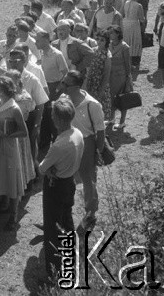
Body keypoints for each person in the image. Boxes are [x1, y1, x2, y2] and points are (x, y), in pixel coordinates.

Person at [39, 95, 84, 277]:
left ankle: (55, 270)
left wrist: (47, 169)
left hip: (55, 186)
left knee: (52, 226)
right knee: (67, 219)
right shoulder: (78, 134)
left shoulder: (58, 145)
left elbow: (42, 168)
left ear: (56, 119)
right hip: (69, 181)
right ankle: (71, 256)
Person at [60, 71, 106, 230]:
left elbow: (100, 130)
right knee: (66, 178)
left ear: (75, 86)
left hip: (86, 144)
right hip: (68, 142)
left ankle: (90, 214)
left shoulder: (92, 104)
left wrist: (98, 151)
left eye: (65, 84)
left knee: (88, 179)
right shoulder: (63, 100)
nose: (62, 85)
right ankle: (64, 213)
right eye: (63, 82)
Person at [0, 76, 29, 230]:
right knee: (2, 176)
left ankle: (13, 216)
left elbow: (23, 131)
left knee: (11, 180)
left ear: (2, 91)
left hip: (9, 148)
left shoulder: (14, 108)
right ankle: (5, 205)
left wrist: (5, 135)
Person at [8, 49, 48, 174]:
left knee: (29, 148)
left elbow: (41, 103)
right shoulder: (7, 77)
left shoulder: (32, 79)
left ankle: (32, 175)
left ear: (24, 62)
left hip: (28, 119)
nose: (13, 64)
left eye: (16, 61)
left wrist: (37, 125)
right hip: (11, 118)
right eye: (10, 61)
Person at [4, 70, 36, 188]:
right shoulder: (8, 96)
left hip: (18, 133)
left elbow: (19, 114)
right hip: (8, 132)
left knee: (21, 159)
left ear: (18, 82)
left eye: (11, 82)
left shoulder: (24, 97)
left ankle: (22, 186)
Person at [107, 25, 132, 130]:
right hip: (110, 75)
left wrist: (128, 78)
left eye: (112, 32)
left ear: (118, 34)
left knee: (122, 98)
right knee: (111, 97)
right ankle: (112, 118)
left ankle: (122, 122)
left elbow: (128, 64)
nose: (110, 34)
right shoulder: (109, 45)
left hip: (120, 76)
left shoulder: (124, 47)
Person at [84, 30, 112, 120]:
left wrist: (101, 90)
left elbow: (106, 74)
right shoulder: (92, 50)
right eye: (98, 39)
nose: (99, 42)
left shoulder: (107, 55)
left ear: (106, 41)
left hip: (100, 84)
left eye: (102, 40)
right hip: (90, 82)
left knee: (99, 109)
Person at [122, 0, 145, 69]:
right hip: (134, 24)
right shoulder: (138, 5)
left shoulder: (126, 3)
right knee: (135, 42)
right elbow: (141, 18)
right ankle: (135, 63)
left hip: (125, 23)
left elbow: (123, 13)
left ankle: (126, 61)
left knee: (127, 41)